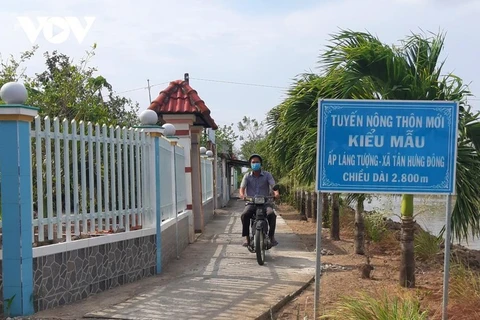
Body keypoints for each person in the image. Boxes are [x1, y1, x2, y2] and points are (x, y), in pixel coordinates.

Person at [239, 154, 280, 247]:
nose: (255, 164)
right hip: (251, 202)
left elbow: (273, 185)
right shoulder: (247, 176)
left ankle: (271, 236)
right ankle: (247, 238)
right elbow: (242, 188)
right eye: (253, 162)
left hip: (265, 202)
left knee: (271, 214)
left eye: (257, 162)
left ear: (261, 164)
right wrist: (242, 195)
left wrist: (276, 193)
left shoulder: (267, 175)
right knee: (244, 215)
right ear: (250, 164)